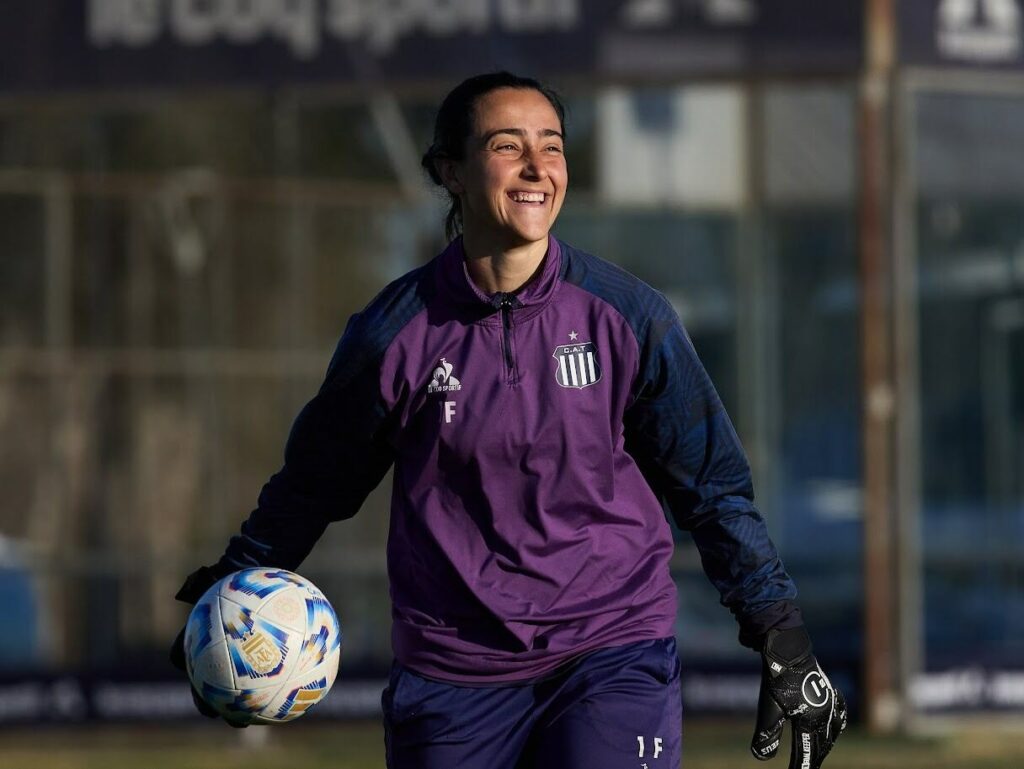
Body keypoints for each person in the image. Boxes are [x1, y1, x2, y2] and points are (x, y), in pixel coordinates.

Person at [170, 71, 846, 768]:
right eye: (506, 145)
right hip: (451, 671)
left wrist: (780, 634)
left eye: (551, 146)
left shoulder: (630, 316)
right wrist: (236, 582)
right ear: (451, 171)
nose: (536, 167)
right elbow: (316, 481)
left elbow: (711, 486)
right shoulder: (392, 334)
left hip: (610, 648)